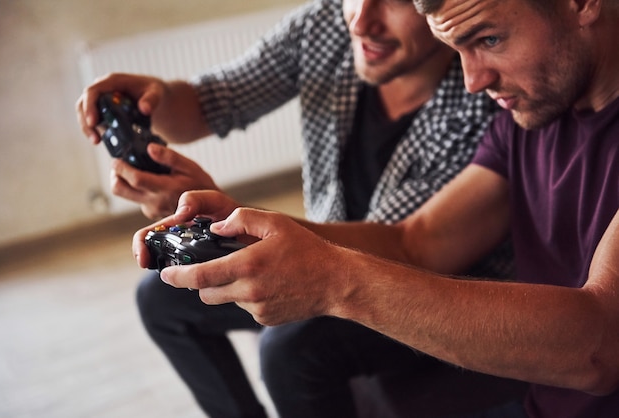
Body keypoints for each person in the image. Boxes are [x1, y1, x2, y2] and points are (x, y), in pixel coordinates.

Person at [133, 0, 619, 417]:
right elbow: (419, 240)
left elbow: (600, 346)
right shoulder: (530, 112)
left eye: (489, 39)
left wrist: (337, 281)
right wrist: (248, 226)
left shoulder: (516, 99)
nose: (474, 80)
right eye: (461, 49)